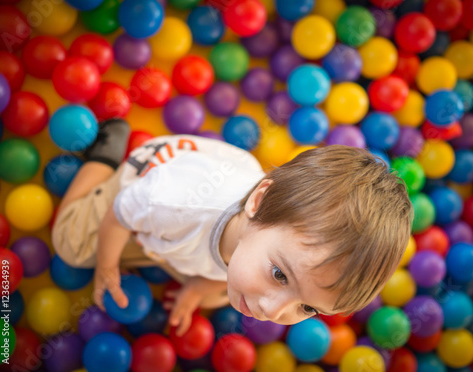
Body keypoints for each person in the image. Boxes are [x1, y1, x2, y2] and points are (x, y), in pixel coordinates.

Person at [52, 118, 414, 336]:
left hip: (210, 231)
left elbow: (257, 275)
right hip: (143, 183)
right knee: (71, 244)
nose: (273, 312)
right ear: (258, 202)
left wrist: (196, 288)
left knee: (217, 291)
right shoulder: (173, 203)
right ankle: (105, 154)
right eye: (279, 276)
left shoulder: (272, 244)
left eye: (308, 309)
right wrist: (107, 265)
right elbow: (120, 213)